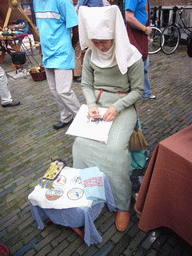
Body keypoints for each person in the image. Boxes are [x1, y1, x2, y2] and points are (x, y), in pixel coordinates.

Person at [72, 6, 144, 231]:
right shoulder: (92, 53)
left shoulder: (132, 56)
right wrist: (92, 105)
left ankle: (122, 204)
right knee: (80, 145)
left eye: (104, 41)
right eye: (95, 41)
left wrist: (117, 106)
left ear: (115, 35)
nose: (100, 46)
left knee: (114, 150)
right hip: (99, 105)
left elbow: (138, 91)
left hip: (123, 107)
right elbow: (86, 84)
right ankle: (93, 193)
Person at [33, 0, 81, 130]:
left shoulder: (63, 1)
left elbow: (76, 26)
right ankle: (66, 117)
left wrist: (71, 45)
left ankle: (83, 119)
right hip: (48, 53)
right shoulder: (36, 2)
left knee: (63, 91)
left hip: (62, 52)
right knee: (55, 91)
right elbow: (42, 27)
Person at [125, 0, 156, 99]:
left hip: (141, 34)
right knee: (135, 65)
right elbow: (129, 17)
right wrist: (144, 29)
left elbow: (144, 15)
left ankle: (145, 92)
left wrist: (146, 35)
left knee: (144, 65)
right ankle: (134, 93)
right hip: (134, 35)